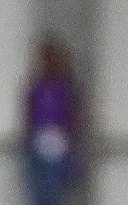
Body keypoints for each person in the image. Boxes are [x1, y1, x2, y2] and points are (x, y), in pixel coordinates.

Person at [21, 37, 83, 205]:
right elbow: (29, 113)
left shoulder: (65, 88)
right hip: (38, 139)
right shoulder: (37, 86)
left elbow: (73, 116)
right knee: (39, 190)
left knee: (54, 191)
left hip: (59, 141)